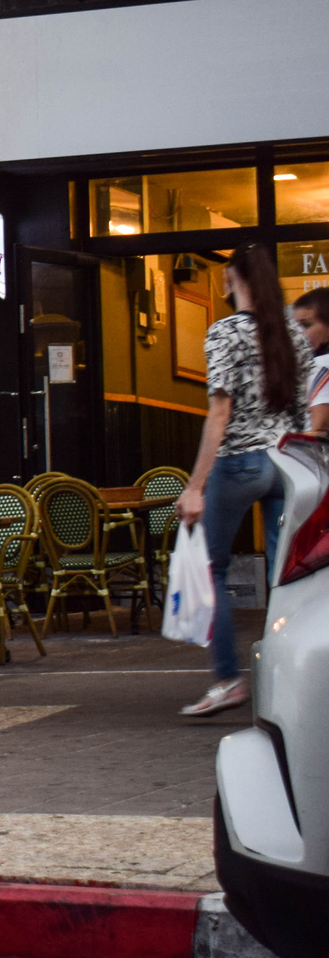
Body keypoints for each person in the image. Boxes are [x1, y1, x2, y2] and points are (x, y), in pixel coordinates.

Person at [178, 245, 306, 718]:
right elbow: (298, 413)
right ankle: (285, 678)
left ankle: (228, 680)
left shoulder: (224, 332)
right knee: (284, 576)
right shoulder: (291, 331)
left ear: (233, 277)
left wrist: (195, 485)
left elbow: (220, 410)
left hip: (240, 463)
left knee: (210, 570)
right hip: (284, 464)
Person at [295, 286, 329, 435]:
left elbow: (318, 427)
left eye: (306, 325)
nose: (298, 332)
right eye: (295, 325)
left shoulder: (321, 367)